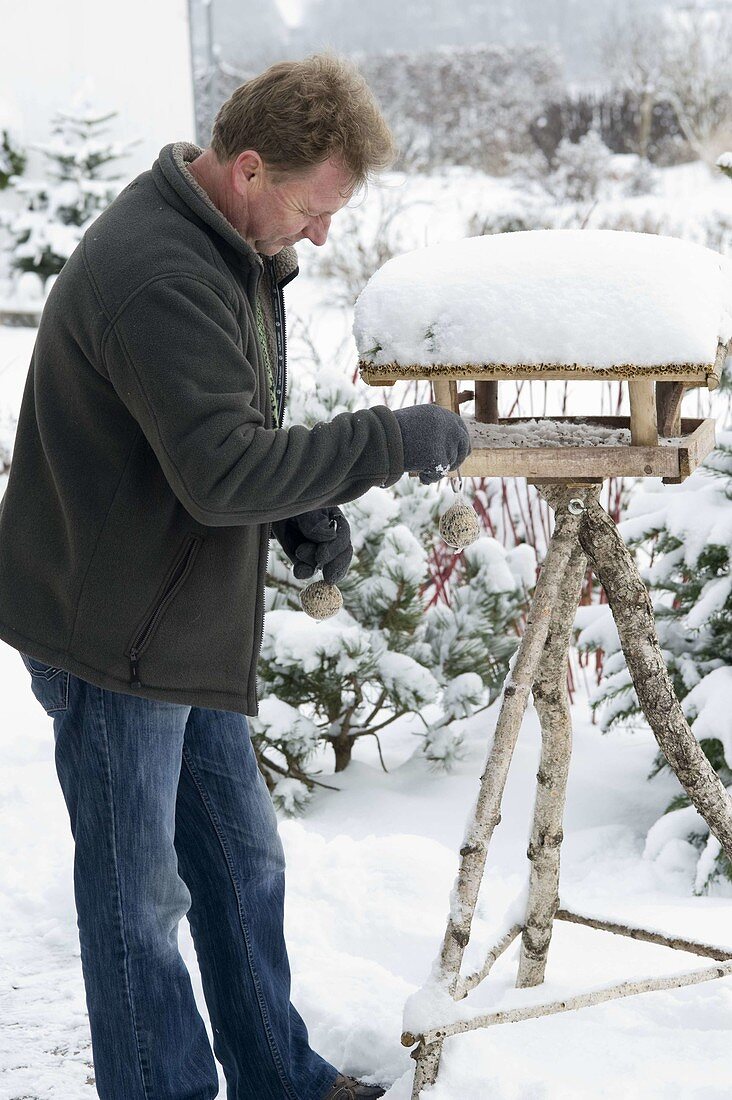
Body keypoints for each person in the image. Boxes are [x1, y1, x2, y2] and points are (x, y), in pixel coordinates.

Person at [0, 53, 471, 1100]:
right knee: (139, 904)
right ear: (252, 168)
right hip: (113, 629)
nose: (322, 234)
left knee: (242, 864)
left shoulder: (228, 246)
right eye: (314, 209)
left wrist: (297, 498)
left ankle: (275, 1075)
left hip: (178, 615)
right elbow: (219, 473)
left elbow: (219, 428)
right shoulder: (161, 271)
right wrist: (381, 440)